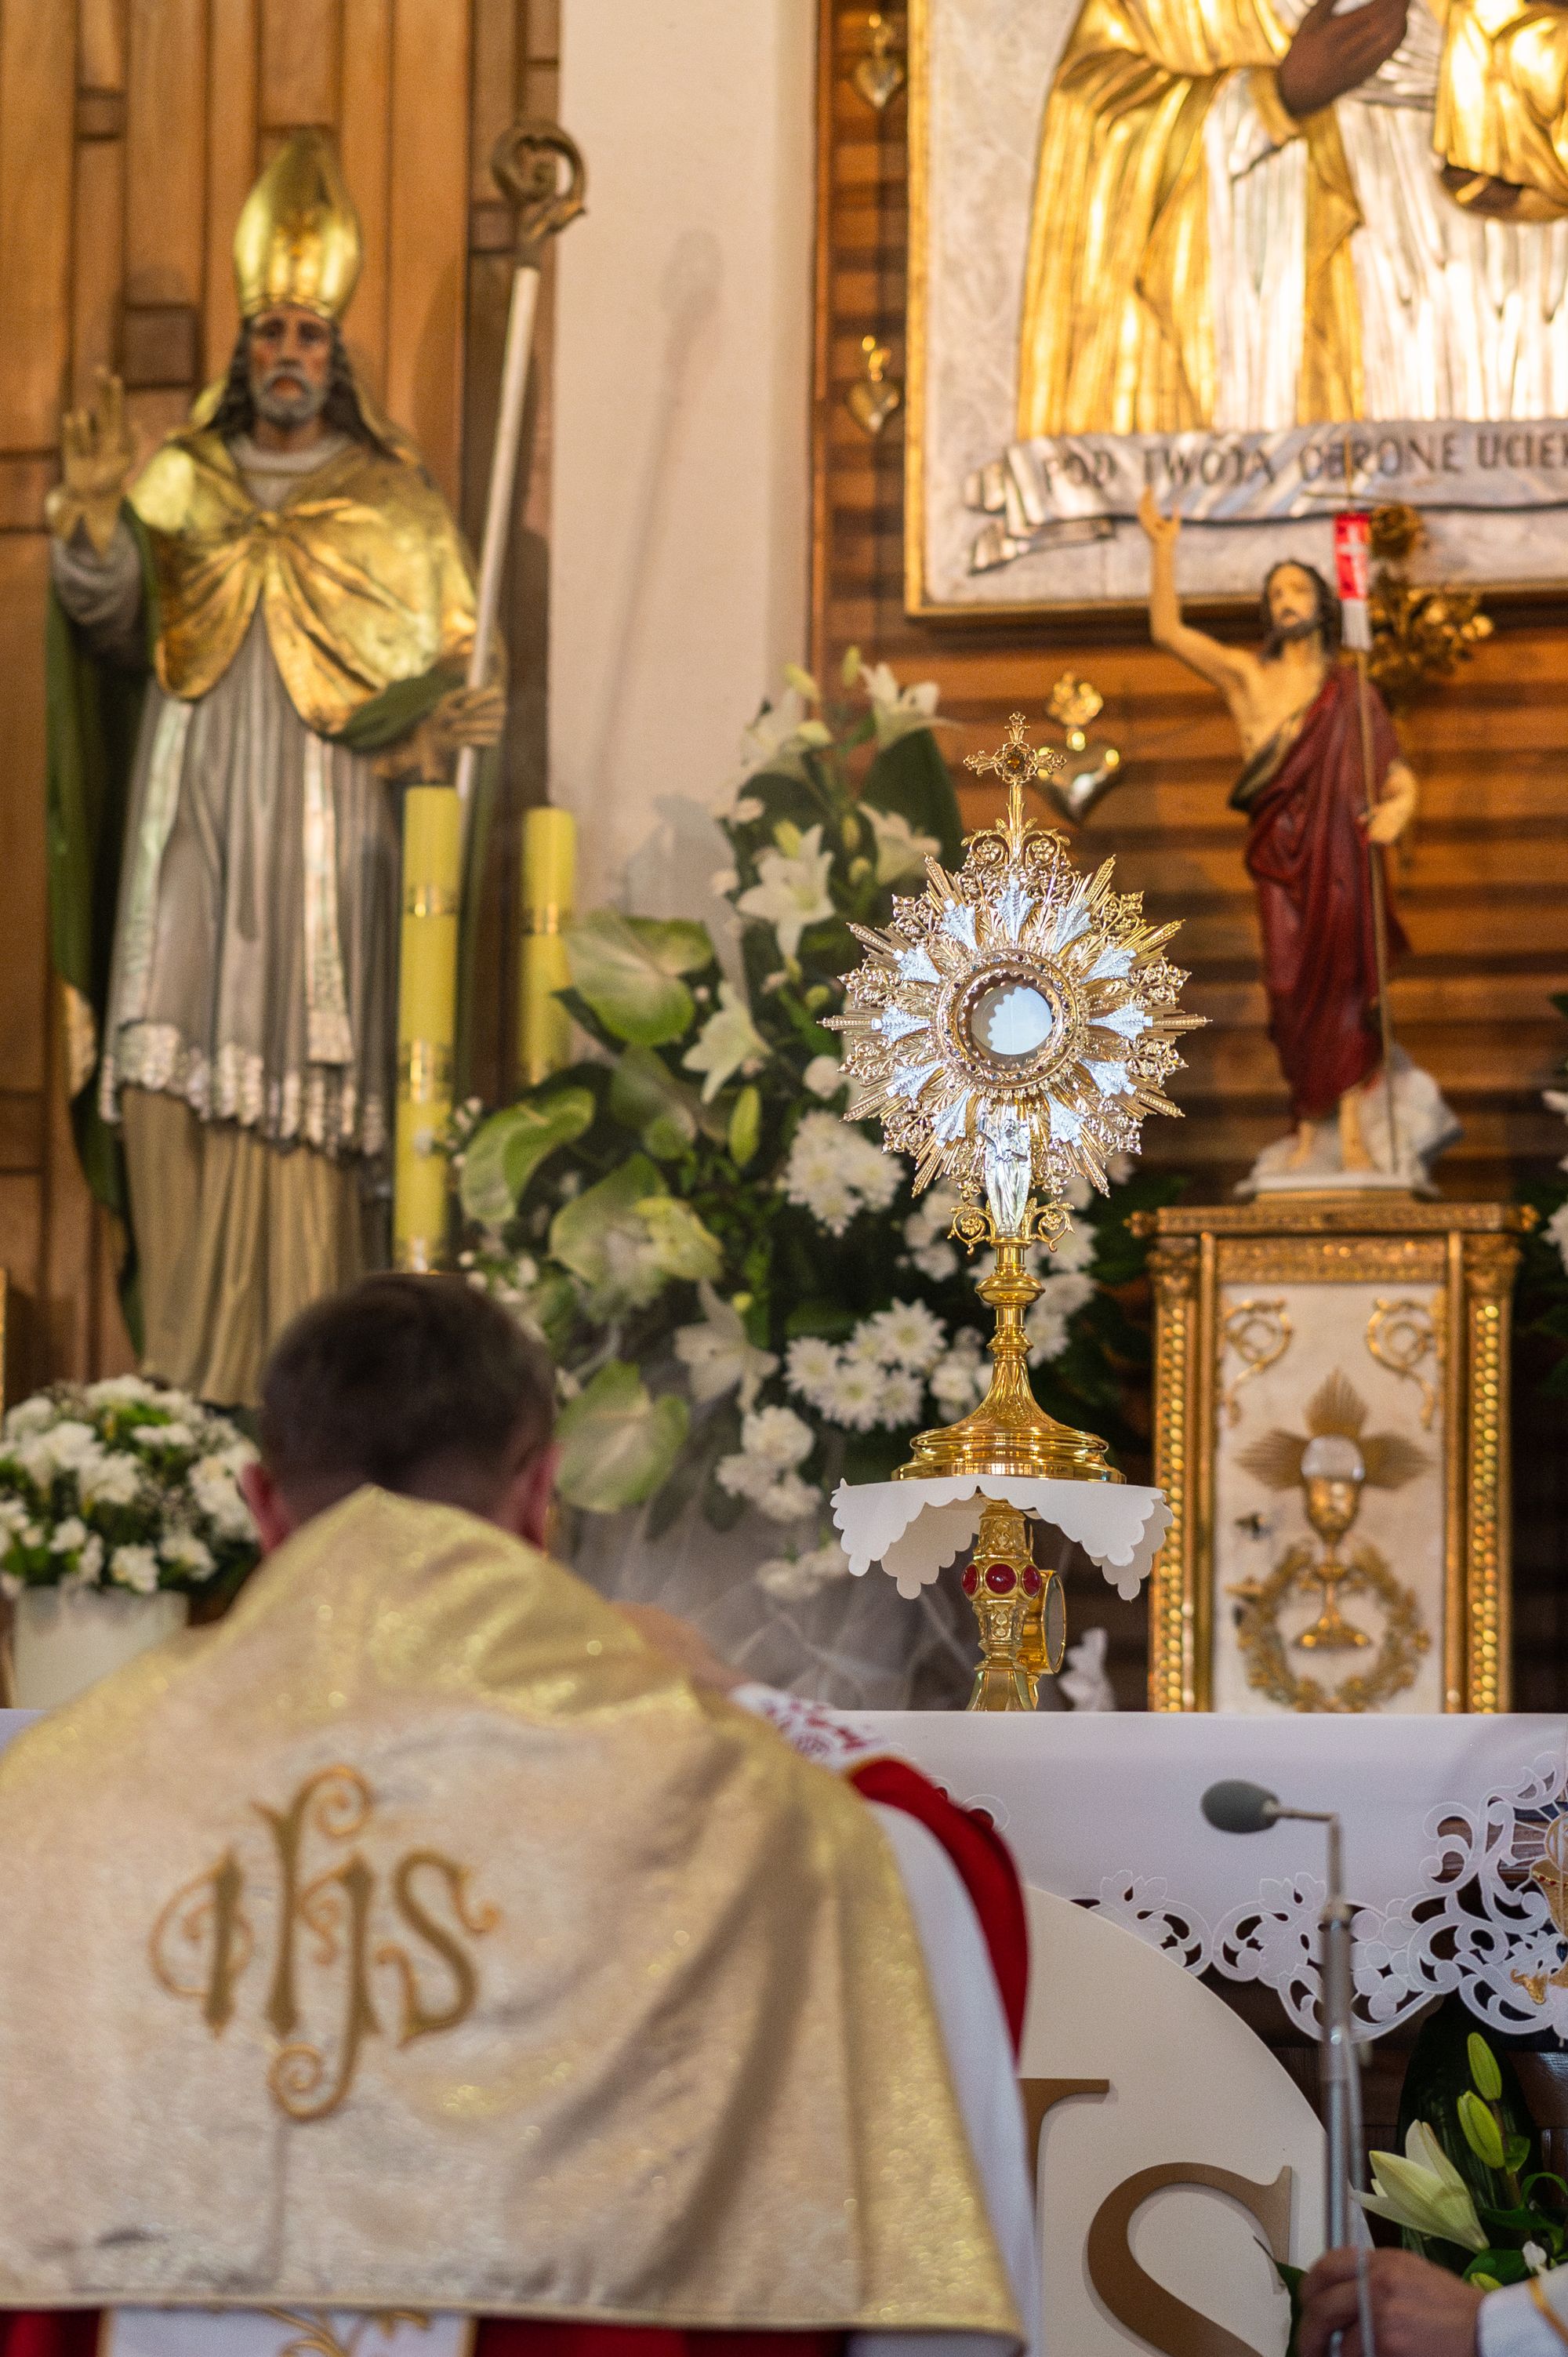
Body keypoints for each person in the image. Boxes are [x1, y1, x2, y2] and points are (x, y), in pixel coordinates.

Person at [0, 1276, 1035, 2357]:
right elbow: (927, 1879)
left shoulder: (58, 1790)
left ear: (262, 1506)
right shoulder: (714, 1793)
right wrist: (743, 1700)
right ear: (541, 1492)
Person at [46, 132, 502, 1407]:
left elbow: (456, 679)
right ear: (243, 352)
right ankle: (184, 1369)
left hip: (329, 833)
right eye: (269, 333)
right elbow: (112, 626)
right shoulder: (178, 481)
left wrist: (437, 732)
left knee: (311, 1067)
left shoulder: (394, 503)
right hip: (191, 811)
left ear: (334, 353)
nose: (288, 353)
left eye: (307, 333)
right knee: (166, 1052)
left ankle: (309, 1375)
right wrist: (96, 524)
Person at [1016, 0, 1568, 441]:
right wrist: (1275, 97)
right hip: (1296, 285)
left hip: (1493, 290)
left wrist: (1491, 87)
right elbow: (1094, 113)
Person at [1139, 490, 1417, 1173]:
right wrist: (1163, 549)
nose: (1286, 601)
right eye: (1276, 594)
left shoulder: (1353, 691)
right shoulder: (1247, 677)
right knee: (1289, 988)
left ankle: (1348, 1128)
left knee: (1347, 986)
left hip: (1343, 856)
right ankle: (1307, 1123)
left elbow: (1398, 778)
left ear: (1322, 602)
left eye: (1297, 589)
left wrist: (1399, 810)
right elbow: (1168, 633)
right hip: (1281, 857)